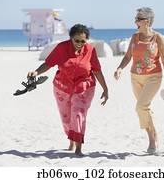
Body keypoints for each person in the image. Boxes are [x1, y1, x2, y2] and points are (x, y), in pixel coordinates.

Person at [27, 24, 108, 156]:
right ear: (71, 38)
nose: (80, 44)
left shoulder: (90, 50)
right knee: (66, 118)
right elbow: (48, 63)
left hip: (84, 87)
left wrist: (105, 89)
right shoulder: (61, 48)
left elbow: (97, 70)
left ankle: (78, 147)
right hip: (62, 87)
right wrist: (36, 72)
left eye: (83, 41)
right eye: (77, 40)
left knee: (77, 113)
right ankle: (71, 139)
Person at [114, 7, 164, 154]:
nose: (135, 21)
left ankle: (152, 141)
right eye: (135, 19)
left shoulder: (158, 38)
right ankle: (153, 134)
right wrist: (120, 68)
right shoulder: (134, 37)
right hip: (135, 77)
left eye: (138, 19)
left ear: (147, 21)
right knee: (144, 109)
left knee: (140, 107)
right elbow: (128, 56)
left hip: (154, 76)